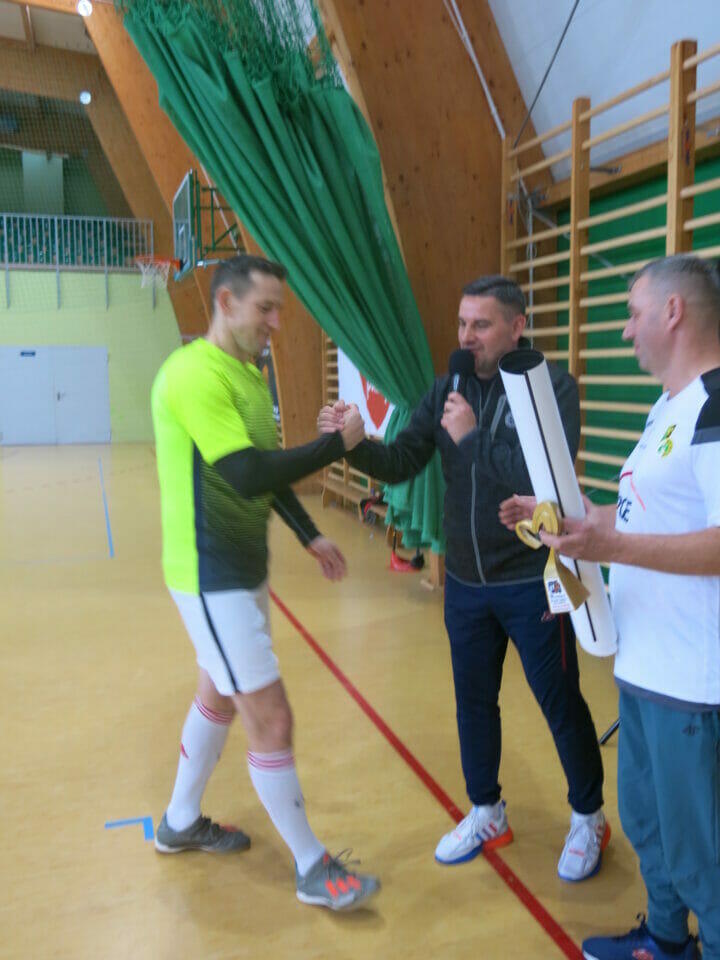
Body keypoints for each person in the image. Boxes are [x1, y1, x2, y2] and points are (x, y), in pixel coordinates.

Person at [318, 275, 608, 881]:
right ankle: (486, 810)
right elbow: (401, 460)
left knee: (560, 701)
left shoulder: (551, 389)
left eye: (481, 324)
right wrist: (354, 443)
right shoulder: (447, 387)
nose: (466, 336)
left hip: (532, 579)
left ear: (516, 326)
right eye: (461, 323)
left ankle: (589, 817)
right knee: (473, 702)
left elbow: (539, 480)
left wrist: (472, 438)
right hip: (468, 585)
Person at [505, 256, 720, 960]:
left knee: (704, 856)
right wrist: (571, 523)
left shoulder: (715, 406)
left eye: (632, 313)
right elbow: (640, 519)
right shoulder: (667, 407)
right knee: (650, 830)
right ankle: (665, 940)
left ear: (673, 312)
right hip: (642, 668)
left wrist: (615, 546)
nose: (625, 330)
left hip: (695, 685)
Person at [151, 253, 379, 911]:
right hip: (211, 577)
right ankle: (311, 866)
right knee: (271, 716)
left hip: (239, 570)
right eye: (266, 308)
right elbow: (246, 473)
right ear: (225, 303)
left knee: (219, 696)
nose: (277, 322)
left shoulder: (248, 376)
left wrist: (309, 534)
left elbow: (262, 470)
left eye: (280, 309)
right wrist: (337, 447)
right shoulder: (194, 374)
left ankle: (179, 822)